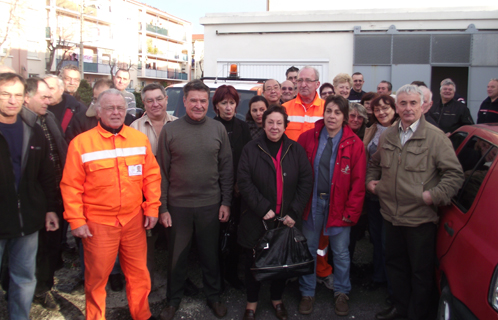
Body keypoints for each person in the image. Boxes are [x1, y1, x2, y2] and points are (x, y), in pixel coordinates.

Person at [61, 89, 161, 320]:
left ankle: (142, 314)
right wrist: (76, 221)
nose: (116, 112)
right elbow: (70, 186)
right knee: (96, 278)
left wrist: (152, 208)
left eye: (120, 108)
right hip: (99, 224)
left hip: (134, 221)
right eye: (110, 108)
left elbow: (151, 177)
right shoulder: (81, 144)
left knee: (139, 275)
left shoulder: (138, 139)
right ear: (98, 111)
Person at [367, 84, 464, 320]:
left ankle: (417, 314)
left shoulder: (435, 137)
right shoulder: (388, 135)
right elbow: (375, 163)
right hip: (390, 216)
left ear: (423, 106)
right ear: (396, 107)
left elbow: (454, 175)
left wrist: (432, 196)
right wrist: (371, 182)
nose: (408, 108)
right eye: (403, 103)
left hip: (420, 220)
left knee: (420, 273)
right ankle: (400, 309)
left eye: (413, 103)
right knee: (396, 267)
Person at [157, 80, 233, 320]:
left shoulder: (218, 129)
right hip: (178, 207)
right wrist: (163, 207)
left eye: (203, 101)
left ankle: (214, 296)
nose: (198, 105)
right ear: (184, 101)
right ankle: (173, 300)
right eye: (194, 100)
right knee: (176, 258)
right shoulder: (170, 130)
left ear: (208, 103)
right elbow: (162, 173)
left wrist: (226, 202)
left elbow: (226, 170)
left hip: (210, 205)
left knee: (210, 256)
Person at [237, 105, 313, 320]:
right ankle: (251, 303)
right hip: (257, 218)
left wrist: (295, 212)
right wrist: (262, 208)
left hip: (285, 219)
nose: (274, 126)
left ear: (285, 125)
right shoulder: (251, 149)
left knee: (282, 262)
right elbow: (244, 181)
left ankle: (277, 300)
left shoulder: (295, 150)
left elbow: (306, 181)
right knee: (253, 262)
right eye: (270, 122)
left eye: (279, 123)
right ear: (263, 124)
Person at [297, 95, 366, 316]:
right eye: (329, 111)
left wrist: (351, 212)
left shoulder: (355, 144)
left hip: (339, 205)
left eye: (337, 112)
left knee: (341, 252)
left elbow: (358, 183)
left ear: (345, 117)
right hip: (312, 203)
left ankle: (342, 292)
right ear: (323, 113)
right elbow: (298, 173)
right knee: (308, 248)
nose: (332, 116)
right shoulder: (308, 138)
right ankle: (307, 292)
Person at [0, 72, 58, 320]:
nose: (11, 101)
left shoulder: (32, 131)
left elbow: (45, 175)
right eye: (5, 94)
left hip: (29, 221)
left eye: (17, 95)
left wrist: (50, 209)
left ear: (24, 98)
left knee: (24, 279)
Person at [24, 77, 68, 311]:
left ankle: (43, 287)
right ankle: (25, 289)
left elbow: (60, 150)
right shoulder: (21, 124)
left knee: (52, 243)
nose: (49, 101)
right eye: (43, 97)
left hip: (56, 190)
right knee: (32, 246)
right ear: (26, 97)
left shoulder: (48, 119)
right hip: (33, 196)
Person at [212, 85, 251, 291]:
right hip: (214, 190)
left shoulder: (243, 127)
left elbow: (248, 158)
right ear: (216, 106)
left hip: (238, 190)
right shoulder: (210, 125)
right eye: (224, 103)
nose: (228, 107)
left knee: (235, 234)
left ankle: (232, 273)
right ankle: (216, 276)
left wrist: (240, 183)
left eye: (232, 103)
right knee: (216, 235)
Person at [362, 94, 400, 293]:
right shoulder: (372, 129)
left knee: (388, 241)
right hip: (372, 192)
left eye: (386, 108)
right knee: (376, 238)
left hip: (391, 194)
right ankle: (378, 276)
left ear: (394, 109)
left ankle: (392, 286)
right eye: (377, 109)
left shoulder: (401, 131)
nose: (381, 112)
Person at [66, 79, 135, 142]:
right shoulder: (80, 119)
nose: (98, 103)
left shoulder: (128, 120)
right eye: (96, 99)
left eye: (103, 98)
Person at [283, 66, 325, 141]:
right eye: (300, 80)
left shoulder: (326, 108)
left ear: (317, 84)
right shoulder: (284, 108)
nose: (303, 85)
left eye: (308, 81)